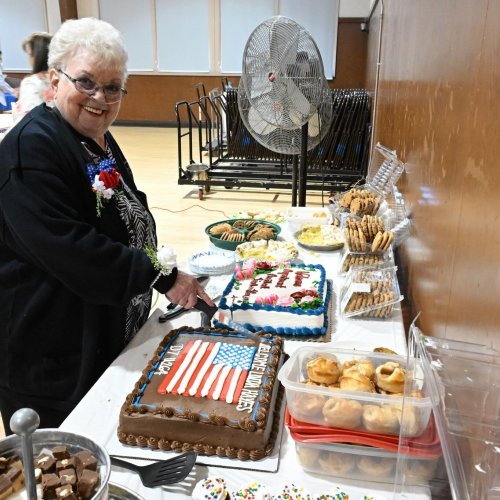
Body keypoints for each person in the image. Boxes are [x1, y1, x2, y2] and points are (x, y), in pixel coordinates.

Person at [0, 18, 214, 433]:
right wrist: (161, 274)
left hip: (105, 338)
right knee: (68, 470)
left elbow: (126, 213)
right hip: (52, 362)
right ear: (53, 78)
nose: (100, 97)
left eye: (113, 86)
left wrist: (158, 267)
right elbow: (75, 252)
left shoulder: (92, 134)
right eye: (86, 82)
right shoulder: (30, 150)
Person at [12, 32, 54, 122]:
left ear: (38, 56)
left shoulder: (31, 82)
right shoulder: (63, 78)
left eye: (29, 54)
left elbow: (27, 120)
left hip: (39, 133)